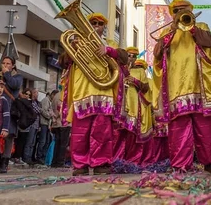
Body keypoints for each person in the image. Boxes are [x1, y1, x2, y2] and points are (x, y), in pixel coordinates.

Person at [152, 0, 211, 175]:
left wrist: (191, 27)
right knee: (178, 129)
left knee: (206, 127)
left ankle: (210, 164)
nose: (180, 13)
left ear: (191, 11)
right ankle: (180, 165)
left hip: (200, 86)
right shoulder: (166, 32)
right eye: (176, 10)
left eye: (183, 9)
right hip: (177, 87)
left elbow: (207, 42)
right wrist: (170, 33)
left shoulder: (201, 26)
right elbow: (156, 53)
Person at [63, 12, 128, 175]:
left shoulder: (110, 42)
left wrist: (108, 51)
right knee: (80, 133)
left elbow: (124, 58)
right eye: (93, 23)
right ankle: (80, 165)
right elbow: (62, 62)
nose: (96, 26)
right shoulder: (76, 42)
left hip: (103, 93)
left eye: (100, 24)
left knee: (102, 132)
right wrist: (72, 49)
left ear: (104, 28)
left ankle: (101, 163)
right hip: (82, 92)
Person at [122, 58, 153, 165]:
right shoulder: (121, 68)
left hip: (134, 104)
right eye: (129, 55)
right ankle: (119, 159)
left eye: (133, 55)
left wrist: (135, 81)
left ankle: (132, 160)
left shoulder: (139, 71)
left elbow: (145, 88)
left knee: (132, 132)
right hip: (122, 103)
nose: (130, 57)